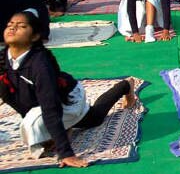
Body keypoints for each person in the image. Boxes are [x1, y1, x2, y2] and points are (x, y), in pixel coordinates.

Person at [1, 10, 136, 164]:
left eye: (22, 26)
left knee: (95, 119)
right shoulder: (3, 58)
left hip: (68, 97)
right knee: (31, 121)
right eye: (10, 24)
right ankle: (64, 127)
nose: (12, 28)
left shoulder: (40, 65)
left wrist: (65, 153)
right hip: (39, 101)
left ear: (35, 36)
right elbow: (11, 97)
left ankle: (125, 85)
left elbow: (51, 108)